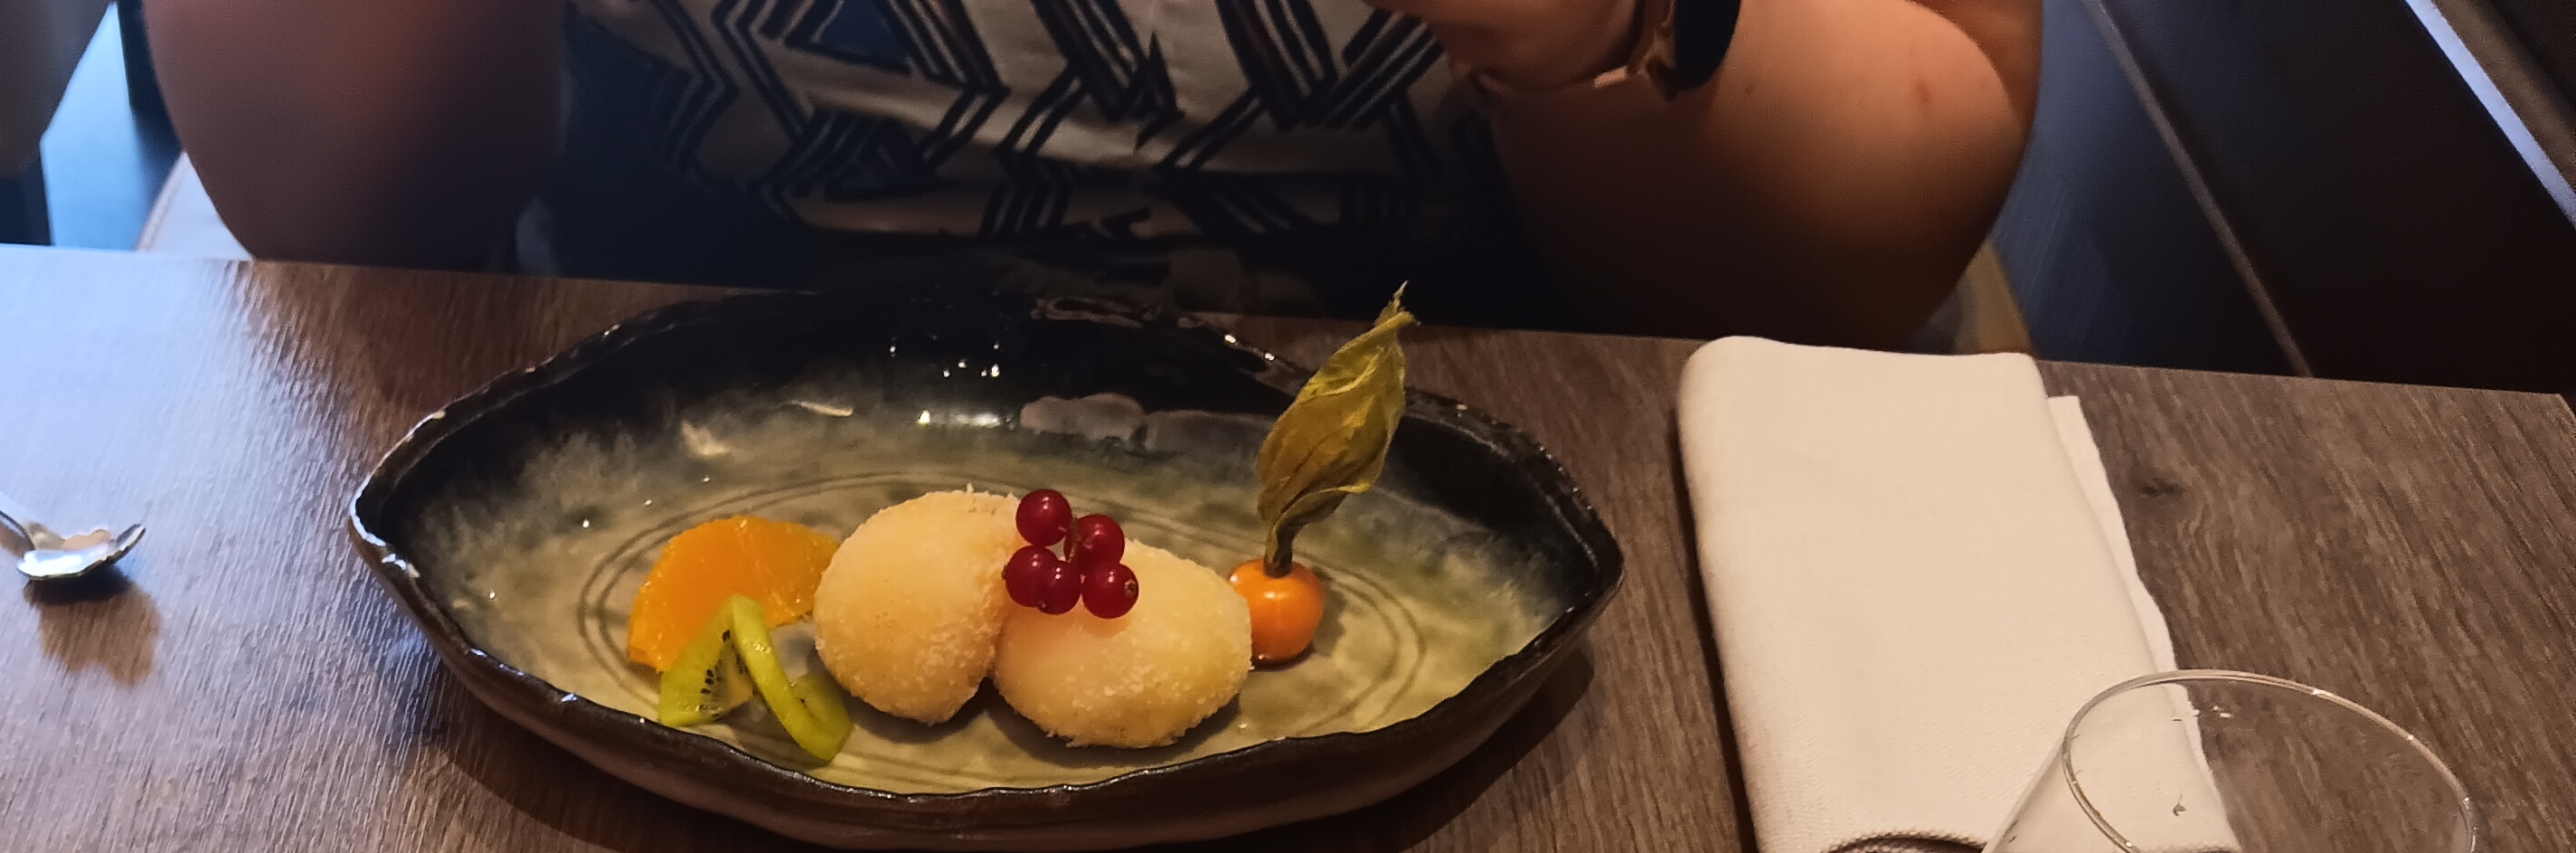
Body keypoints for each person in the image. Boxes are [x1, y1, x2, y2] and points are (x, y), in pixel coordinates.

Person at [147, 0, 2037, 345]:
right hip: (651, 437)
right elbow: (338, 215)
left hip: (1522, 444)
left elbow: (1862, 256)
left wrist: (1606, 22)